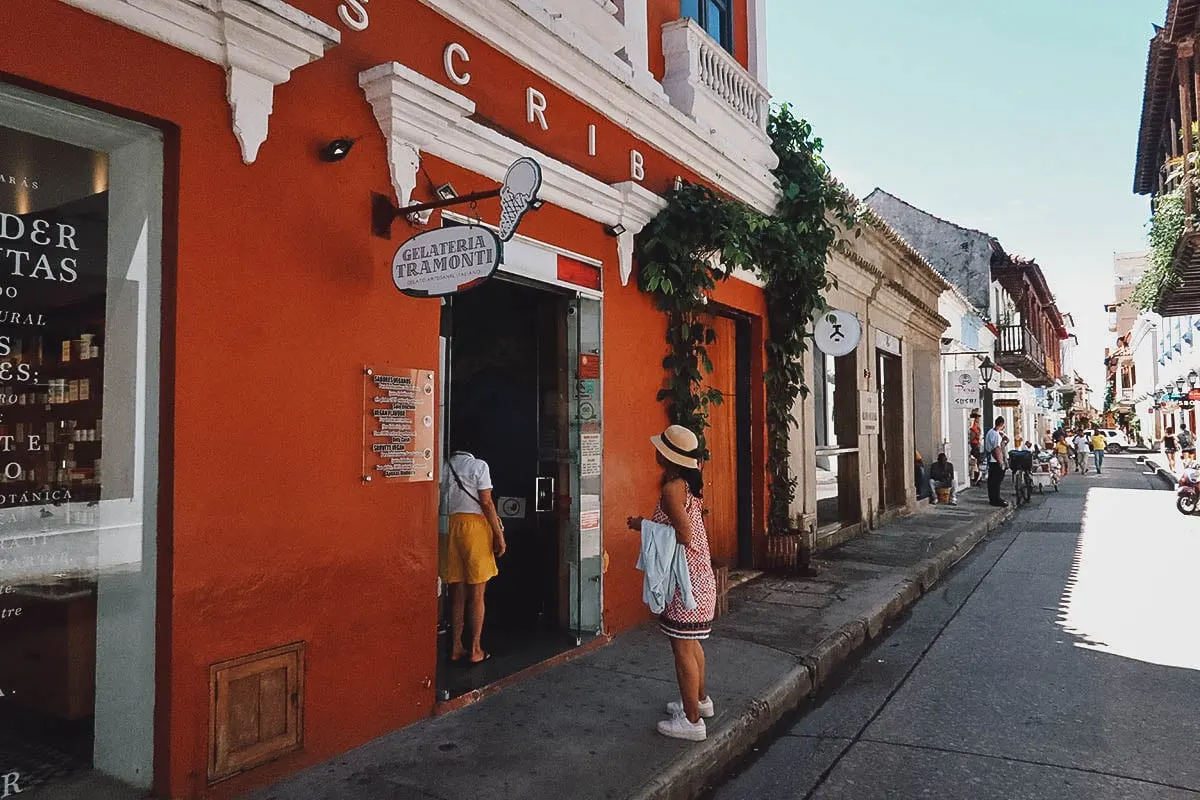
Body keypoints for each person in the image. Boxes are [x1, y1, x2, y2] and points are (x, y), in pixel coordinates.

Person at [627, 425, 716, 742]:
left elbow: (683, 536)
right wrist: (647, 526)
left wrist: (643, 526)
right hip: (700, 579)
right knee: (692, 645)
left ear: (668, 456)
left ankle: (692, 722)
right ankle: (700, 702)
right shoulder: (687, 486)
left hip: (683, 583)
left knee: (682, 652)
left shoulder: (671, 490)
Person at [441, 430, 507, 666]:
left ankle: (456, 647)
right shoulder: (479, 466)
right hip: (474, 527)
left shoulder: (444, 466)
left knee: (457, 592)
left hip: (449, 527)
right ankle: (476, 648)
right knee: (477, 594)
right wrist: (499, 536)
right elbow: (487, 503)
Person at [985, 416, 1008, 507]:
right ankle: (996, 499)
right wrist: (1000, 462)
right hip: (995, 461)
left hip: (991, 460)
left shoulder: (991, 432)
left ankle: (993, 498)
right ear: (1002, 424)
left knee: (992, 481)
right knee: (996, 482)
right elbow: (996, 449)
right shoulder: (995, 435)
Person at [968, 411, 983, 484]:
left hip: (976, 445)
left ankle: (976, 477)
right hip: (974, 445)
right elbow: (972, 436)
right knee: (975, 462)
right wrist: (976, 436)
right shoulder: (973, 427)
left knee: (977, 462)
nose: (978, 419)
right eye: (977, 418)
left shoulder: (977, 427)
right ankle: (975, 477)